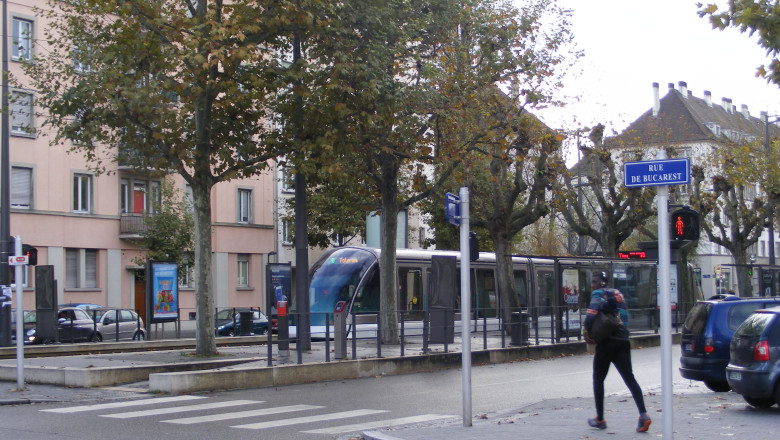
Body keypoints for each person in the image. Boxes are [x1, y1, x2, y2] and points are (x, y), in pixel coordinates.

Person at [583, 270, 652, 433]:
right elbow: (625, 318)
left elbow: (591, 314)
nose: (592, 285)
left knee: (598, 378)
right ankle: (644, 414)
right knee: (630, 378)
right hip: (623, 340)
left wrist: (586, 331)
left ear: (600, 283)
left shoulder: (598, 293)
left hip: (607, 342)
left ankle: (600, 418)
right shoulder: (618, 294)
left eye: (594, 282)